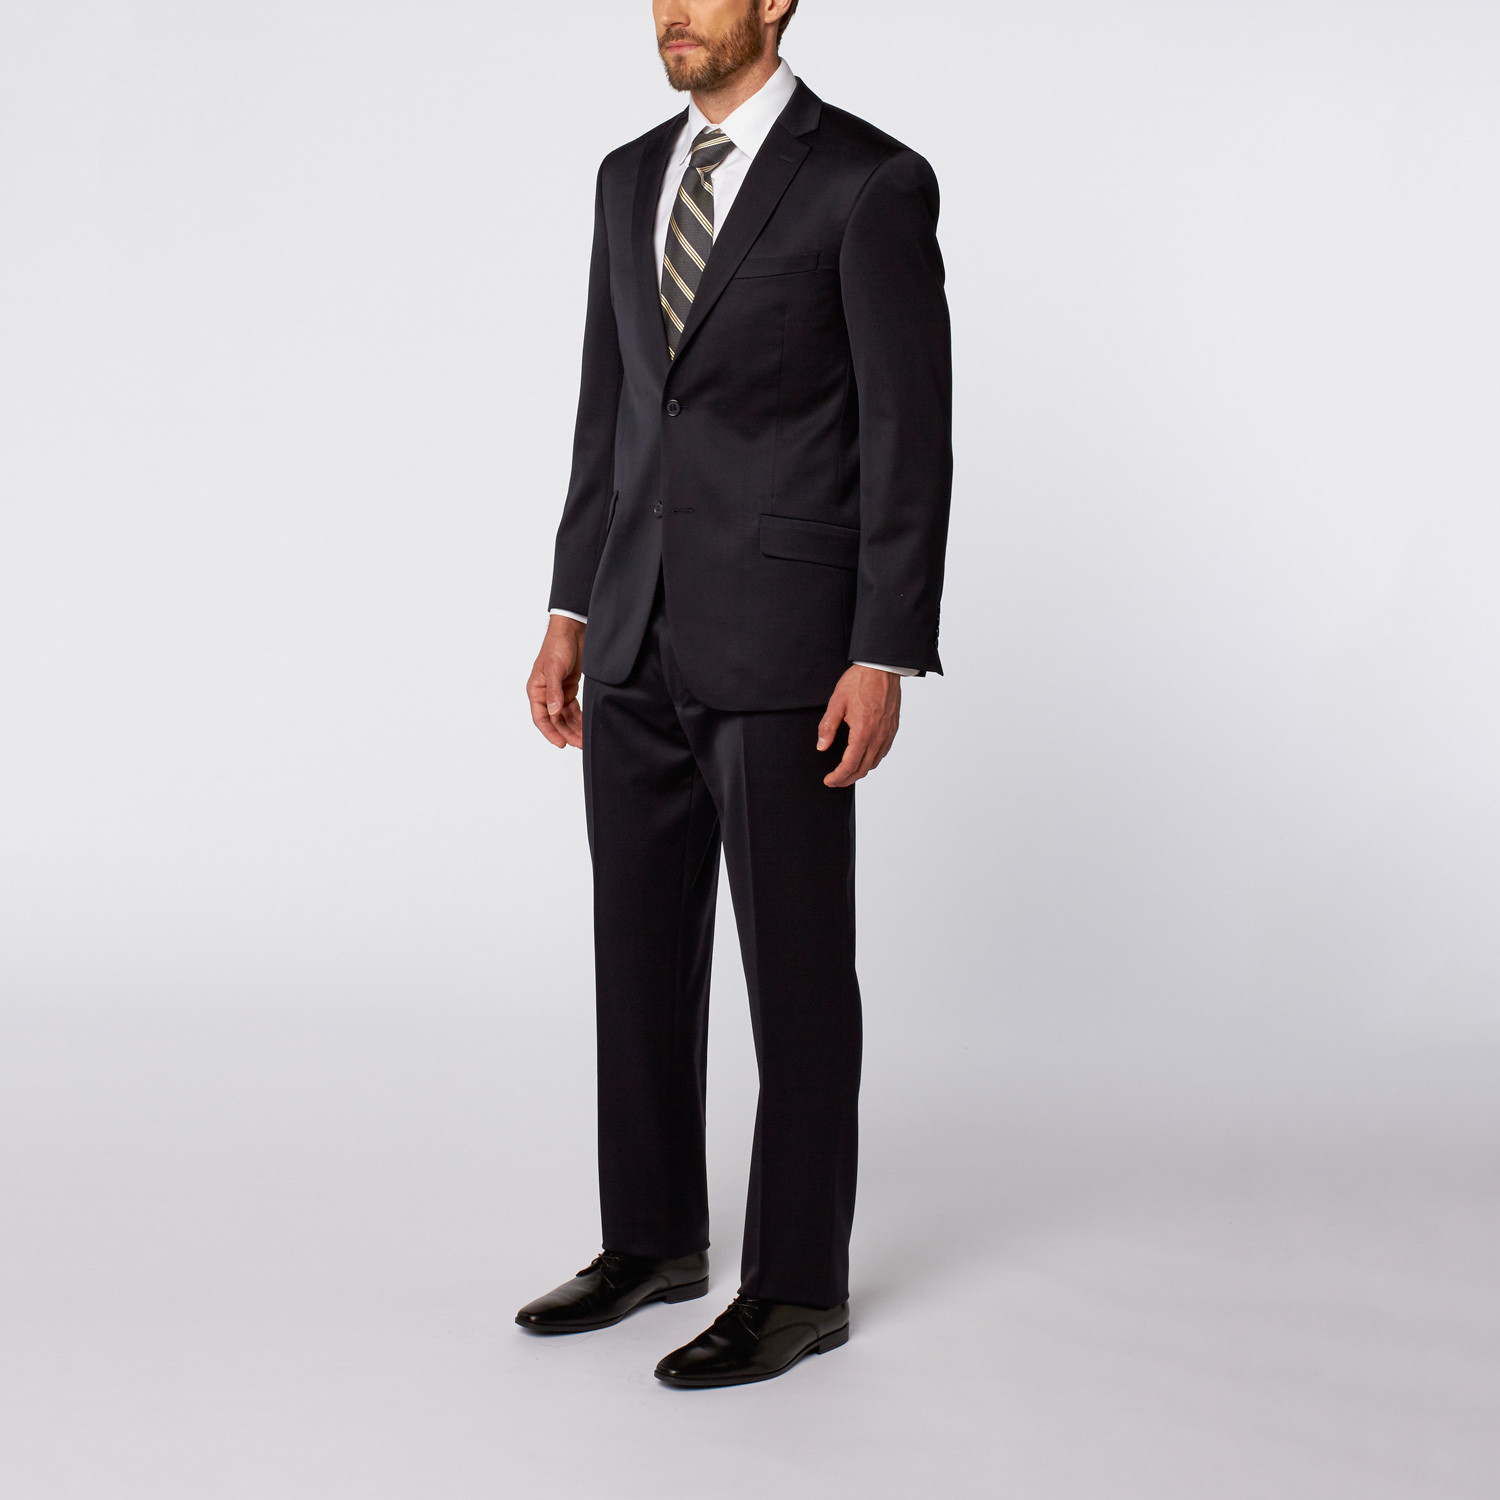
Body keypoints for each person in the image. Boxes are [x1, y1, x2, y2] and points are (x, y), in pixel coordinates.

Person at [518, 0, 951, 1388]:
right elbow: (609, 412)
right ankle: (652, 1241)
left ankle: (798, 1286)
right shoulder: (626, 177)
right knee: (638, 958)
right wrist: (571, 610)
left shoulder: (868, 182)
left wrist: (883, 649)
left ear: (775, 0)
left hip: (789, 647)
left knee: (797, 979)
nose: (672, 12)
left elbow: (909, 430)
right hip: (634, 629)